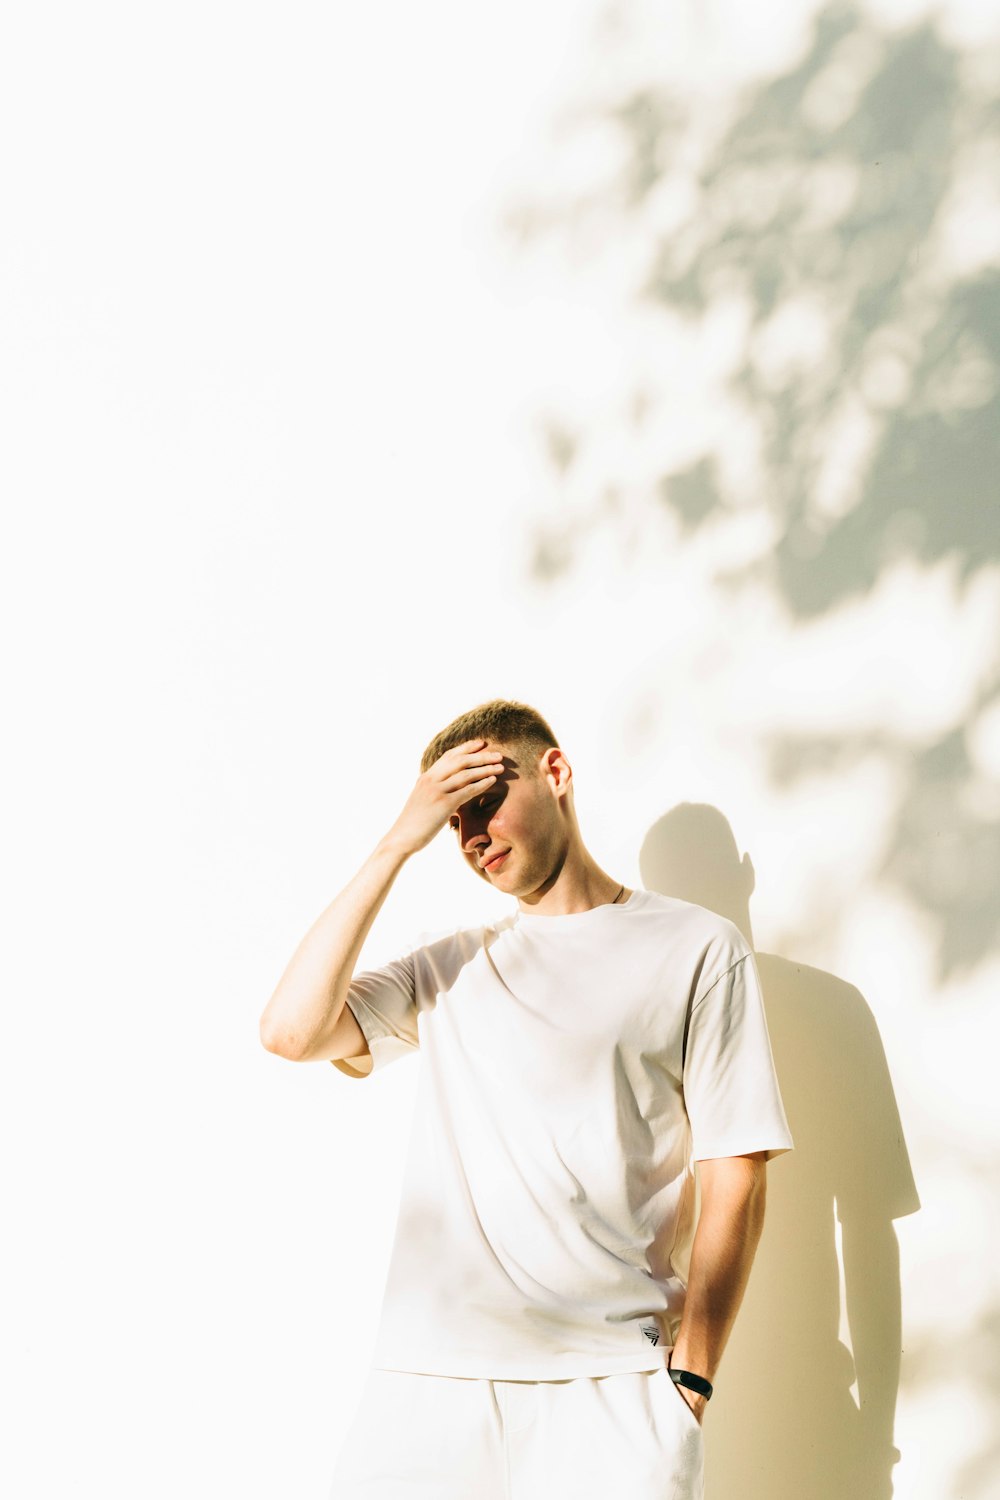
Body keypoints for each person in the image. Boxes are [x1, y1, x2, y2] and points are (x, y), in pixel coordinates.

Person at [260, 699, 794, 1499]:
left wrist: (694, 1381)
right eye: (451, 819)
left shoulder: (696, 947)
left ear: (555, 773)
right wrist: (397, 841)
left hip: (612, 1390)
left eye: (485, 798)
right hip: (428, 1385)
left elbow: (736, 1171)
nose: (471, 832)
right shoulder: (451, 968)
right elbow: (291, 1033)